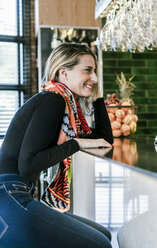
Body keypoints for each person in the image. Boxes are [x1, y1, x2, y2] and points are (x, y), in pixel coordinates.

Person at [0, 43, 113, 248]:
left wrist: (97, 98)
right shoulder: (52, 100)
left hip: (13, 196)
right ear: (64, 72)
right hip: (7, 197)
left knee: (104, 235)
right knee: (100, 244)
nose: (95, 78)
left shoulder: (66, 108)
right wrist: (76, 143)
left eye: (94, 71)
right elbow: (29, 164)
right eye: (88, 70)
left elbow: (105, 141)